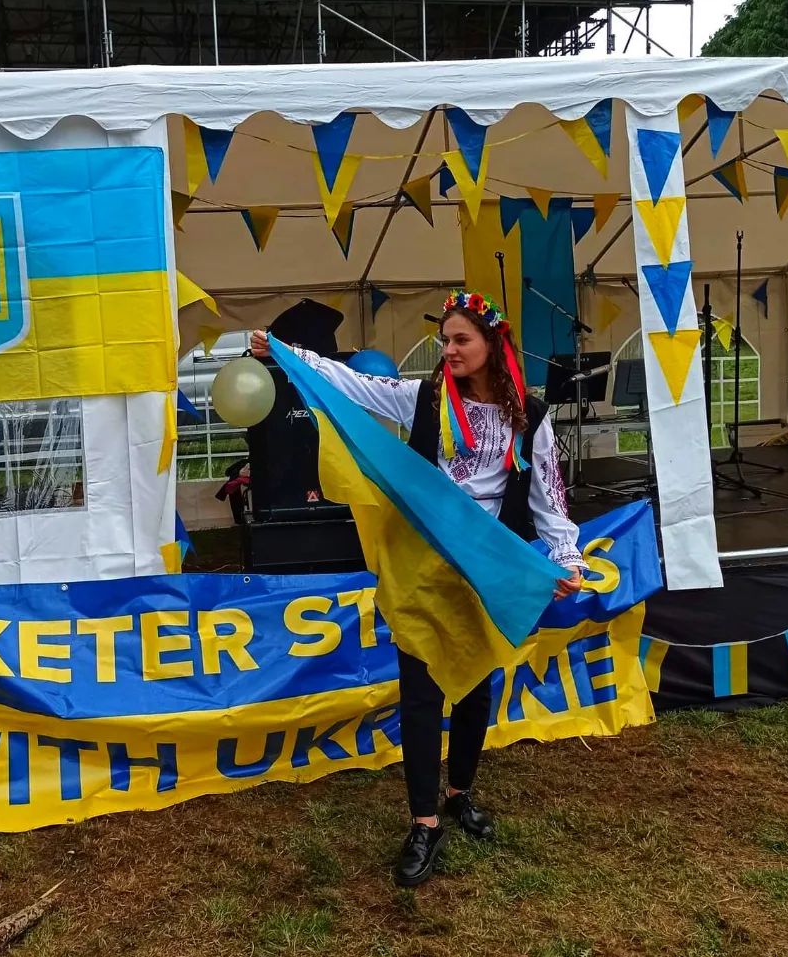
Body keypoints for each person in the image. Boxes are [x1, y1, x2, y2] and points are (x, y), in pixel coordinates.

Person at [251, 290, 585, 887]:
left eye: (462, 340)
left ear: (492, 346)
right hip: (423, 560)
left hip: (486, 564)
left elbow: (549, 495)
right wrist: (286, 354)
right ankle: (424, 820)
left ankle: (459, 793)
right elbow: (351, 385)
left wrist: (566, 557)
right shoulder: (423, 398)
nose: (449, 349)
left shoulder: (529, 417)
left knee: (477, 686)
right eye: (446, 340)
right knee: (422, 689)